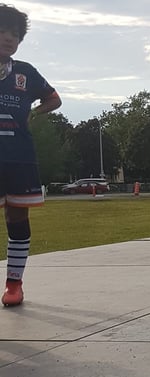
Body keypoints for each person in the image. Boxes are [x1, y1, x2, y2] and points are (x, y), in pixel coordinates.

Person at [0, 4, 62, 307]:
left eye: (15, 34)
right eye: (3, 31)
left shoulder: (25, 71)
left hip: (20, 157)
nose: (9, 38)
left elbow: (54, 99)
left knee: (17, 217)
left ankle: (14, 284)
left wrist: (34, 113)